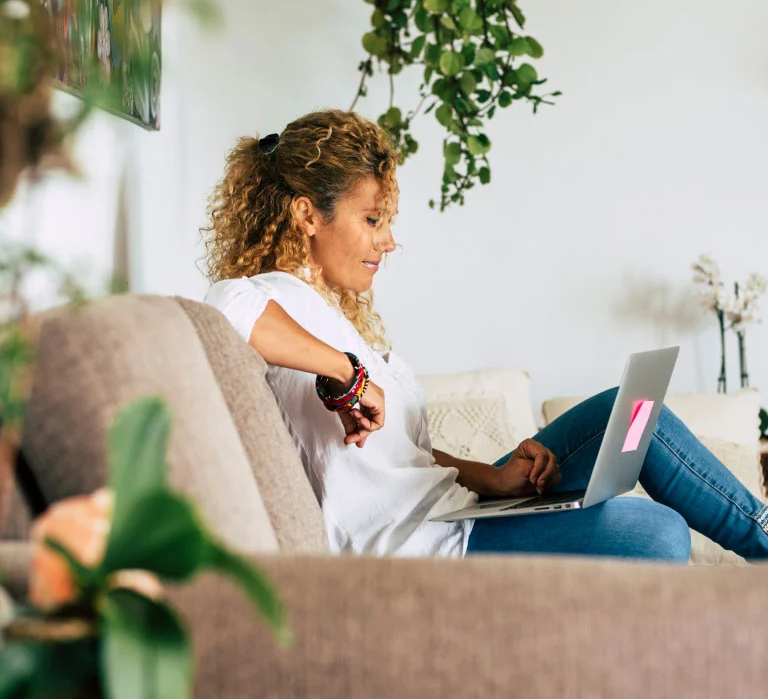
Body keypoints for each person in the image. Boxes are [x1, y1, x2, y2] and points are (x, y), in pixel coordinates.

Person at [202, 109, 768, 562]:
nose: (388, 242)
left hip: (448, 509)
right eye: (373, 220)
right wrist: (349, 372)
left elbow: (404, 454)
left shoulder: (332, 311)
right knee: (659, 534)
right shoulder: (269, 294)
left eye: (389, 222)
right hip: (417, 544)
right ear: (307, 215)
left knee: (646, 417)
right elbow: (227, 309)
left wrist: (494, 479)